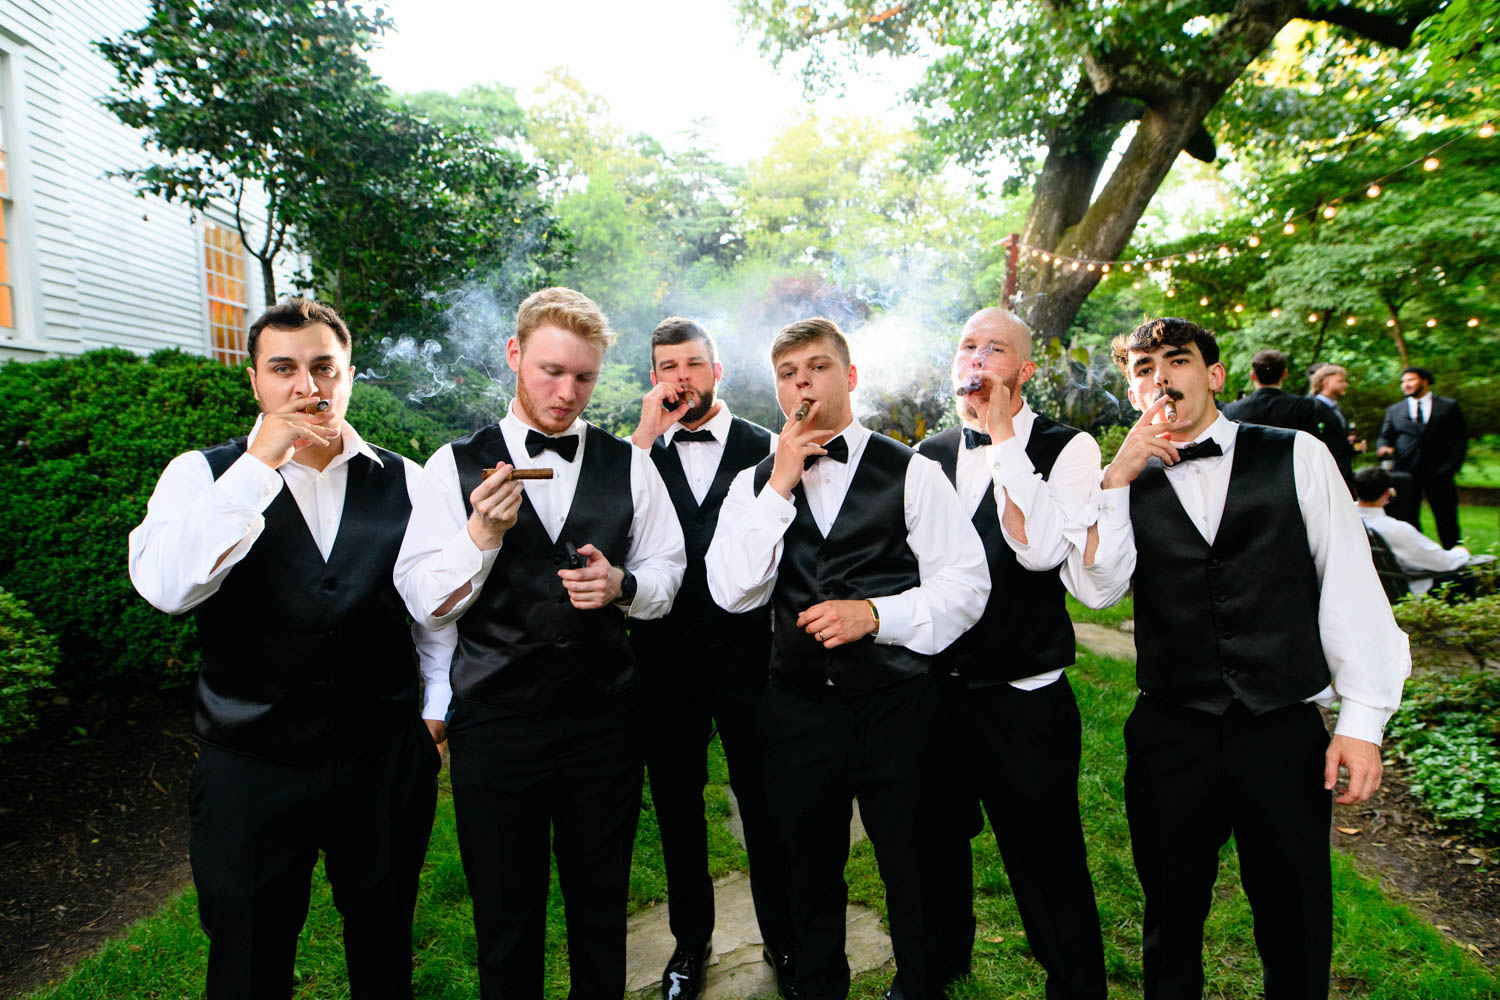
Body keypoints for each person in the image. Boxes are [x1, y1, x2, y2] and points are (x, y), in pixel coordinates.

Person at [1070, 317, 1410, 999]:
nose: (1161, 377)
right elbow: (1098, 590)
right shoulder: (1120, 479)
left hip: (1278, 723)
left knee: (1297, 915)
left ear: (1214, 375)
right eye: (1142, 368)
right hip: (1172, 728)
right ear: (1134, 390)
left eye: (1177, 361)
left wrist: (1362, 720)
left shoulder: (1296, 455)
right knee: (1171, 913)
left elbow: (1348, 582)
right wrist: (1114, 481)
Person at [128, 298, 447, 1000]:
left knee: (385, 940)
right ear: (255, 383)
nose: (307, 386)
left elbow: (432, 612)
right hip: (252, 764)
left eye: (323, 368)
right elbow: (165, 587)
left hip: (383, 757)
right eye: (284, 369)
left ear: (349, 376)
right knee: (246, 956)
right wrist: (258, 466)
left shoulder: (407, 479)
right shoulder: (201, 475)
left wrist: (437, 707)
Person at [393, 287, 686, 999]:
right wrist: (480, 538)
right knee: (506, 919)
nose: (567, 393)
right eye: (551, 371)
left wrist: (622, 587)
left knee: (600, 913)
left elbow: (668, 575)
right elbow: (423, 600)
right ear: (515, 355)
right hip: (497, 726)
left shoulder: (631, 465)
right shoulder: (450, 466)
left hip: (603, 724)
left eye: (584, 377)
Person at [706, 318, 989, 1000]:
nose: (801, 382)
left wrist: (877, 616)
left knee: (911, 864)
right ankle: (816, 987)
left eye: (817, 367)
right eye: (787, 374)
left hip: (897, 703)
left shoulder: (912, 472)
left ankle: (918, 985)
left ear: (850, 376)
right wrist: (778, 485)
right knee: (806, 866)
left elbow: (966, 585)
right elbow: (729, 590)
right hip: (797, 709)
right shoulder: (754, 484)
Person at [914, 307, 1106, 999]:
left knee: (1046, 857)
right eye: (967, 345)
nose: (978, 358)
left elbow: (1043, 551)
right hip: (936, 691)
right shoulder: (927, 456)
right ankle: (938, 966)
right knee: (933, 843)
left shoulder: (1069, 448)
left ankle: (1076, 984)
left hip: (1025, 696)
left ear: (1025, 370)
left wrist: (1001, 439)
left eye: (996, 349)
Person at [626, 317, 794, 1000]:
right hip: (661, 661)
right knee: (676, 806)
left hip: (751, 658)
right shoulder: (634, 454)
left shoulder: (769, 448)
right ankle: (690, 945)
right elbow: (609, 526)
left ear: (717, 370)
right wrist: (641, 442)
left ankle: (782, 938)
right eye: (668, 367)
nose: (682, 378)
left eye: (694, 364)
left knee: (765, 804)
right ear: (655, 379)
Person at [1354, 467, 1484, 597]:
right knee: (1470, 576)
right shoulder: (1396, 529)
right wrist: (1461, 552)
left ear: (1355, 491)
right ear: (1388, 494)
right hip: (1404, 588)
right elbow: (1441, 562)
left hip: (1362, 586)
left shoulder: (1343, 519)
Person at [1377, 366, 1468, 549]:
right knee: (1407, 518)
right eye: (1403, 382)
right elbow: (1385, 436)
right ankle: (1416, 560)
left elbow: (1460, 439)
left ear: (1425, 381)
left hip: (1440, 471)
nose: (1406, 385)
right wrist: (1382, 447)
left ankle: (1457, 565)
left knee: (1447, 519)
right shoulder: (1395, 410)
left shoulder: (1448, 406)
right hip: (1405, 473)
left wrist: (1453, 466)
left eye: (1410, 380)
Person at [1222, 349, 1329, 439]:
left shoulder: (1231, 409)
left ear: (1253, 375)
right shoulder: (1304, 406)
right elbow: (1312, 443)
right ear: (1285, 374)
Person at [1308, 364, 1363, 491]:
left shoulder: (1338, 408)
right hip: (1325, 473)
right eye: (1340, 381)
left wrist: (1352, 445)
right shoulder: (1313, 407)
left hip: (1343, 470)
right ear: (1326, 382)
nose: (1345, 384)